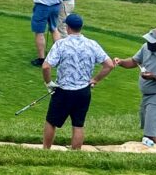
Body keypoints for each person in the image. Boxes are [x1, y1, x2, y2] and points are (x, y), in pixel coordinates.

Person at [41, 13, 115, 149]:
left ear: (68, 27)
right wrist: (95, 80)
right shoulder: (92, 44)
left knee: (51, 121)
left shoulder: (61, 44)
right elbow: (109, 64)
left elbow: (46, 66)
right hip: (83, 91)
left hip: (63, 91)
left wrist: (49, 83)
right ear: (81, 27)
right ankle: (75, 153)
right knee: (78, 124)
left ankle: (46, 150)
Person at [113, 28, 156, 146]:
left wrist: (154, 77)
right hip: (148, 96)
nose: (148, 43)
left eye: (152, 42)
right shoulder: (146, 47)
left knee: (149, 135)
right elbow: (135, 61)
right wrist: (121, 62)